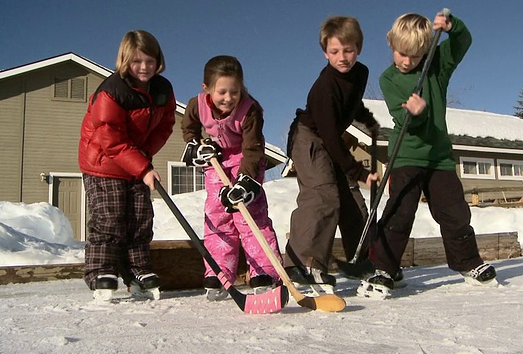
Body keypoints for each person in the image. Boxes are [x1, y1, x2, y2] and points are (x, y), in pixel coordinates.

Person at [357, 11, 497, 299]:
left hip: (439, 157)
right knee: (400, 211)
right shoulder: (389, 79)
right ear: (390, 43)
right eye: (401, 53)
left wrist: (453, 26)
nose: (407, 61)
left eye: (416, 56)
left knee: (455, 211)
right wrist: (415, 113)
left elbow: (463, 42)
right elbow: (403, 118)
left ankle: (467, 262)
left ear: (425, 52)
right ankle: (385, 269)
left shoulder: (437, 67)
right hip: (406, 154)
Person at [284, 16, 380, 293]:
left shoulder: (361, 73)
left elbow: (352, 101)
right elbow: (329, 137)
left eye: (348, 50)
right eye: (334, 51)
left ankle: (361, 259)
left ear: (358, 48)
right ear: (325, 52)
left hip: (331, 137)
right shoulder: (324, 88)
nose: (342, 57)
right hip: (310, 138)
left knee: (351, 199)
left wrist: (368, 120)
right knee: (323, 194)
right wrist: (358, 172)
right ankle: (303, 263)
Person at [78, 30, 176, 301]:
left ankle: (137, 270)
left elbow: (166, 125)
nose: (144, 67)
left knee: (140, 218)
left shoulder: (162, 90)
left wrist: (143, 157)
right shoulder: (112, 91)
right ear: (124, 60)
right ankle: (102, 271)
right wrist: (142, 166)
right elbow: (111, 139)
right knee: (109, 218)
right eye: (137, 61)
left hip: (135, 161)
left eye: (150, 60)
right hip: (103, 162)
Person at [180, 55, 283, 300]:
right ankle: (219, 272)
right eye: (222, 92)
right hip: (217, 159)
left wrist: (246, 182)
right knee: (218, 215)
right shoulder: (196, 104)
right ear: (207, 89)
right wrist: (196, 145)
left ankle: (264, 272)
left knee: (249, 215)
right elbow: (189, 128)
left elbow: (253, 149)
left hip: (246, 160)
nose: (228, 98)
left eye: (234, 91)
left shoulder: (250, 109)